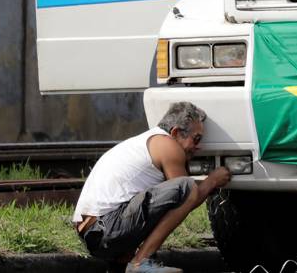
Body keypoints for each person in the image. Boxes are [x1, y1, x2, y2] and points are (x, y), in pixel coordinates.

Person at [73, 102, 232, 273]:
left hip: (94, 233)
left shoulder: (145, 142)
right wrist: (212, 180)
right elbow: (189, 196)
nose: (198, 147)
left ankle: (131, 261)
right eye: (196, 139)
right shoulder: (167, 145)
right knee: (186, 186)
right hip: (106, 228)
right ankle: (141, 262)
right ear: (176, 132)